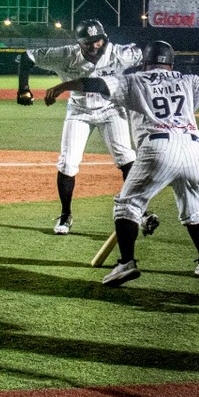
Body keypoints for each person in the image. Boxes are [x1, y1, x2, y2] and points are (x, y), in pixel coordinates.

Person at [44, 40, 199, 286]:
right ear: (171, 63)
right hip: (194, 151)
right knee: (193, 207)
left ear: (145, 62)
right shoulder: (188, 80)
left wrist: (64, 85)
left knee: (126, 205)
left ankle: (125, 263)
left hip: (158, 148)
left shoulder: (135, 80)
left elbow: (96, 83)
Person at [17, 19, 143, 235]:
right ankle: (66, 214)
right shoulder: (66, 54)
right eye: (89, 42)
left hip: (111, 109)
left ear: (105, 39)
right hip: (79, 110)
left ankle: (140, 209)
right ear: (79, 43)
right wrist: (23, 89)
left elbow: (145, 55)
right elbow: (27, 57)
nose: (95, 46)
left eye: (99, 40)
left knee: (126, 158)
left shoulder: (119, 53)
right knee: (68, 163)